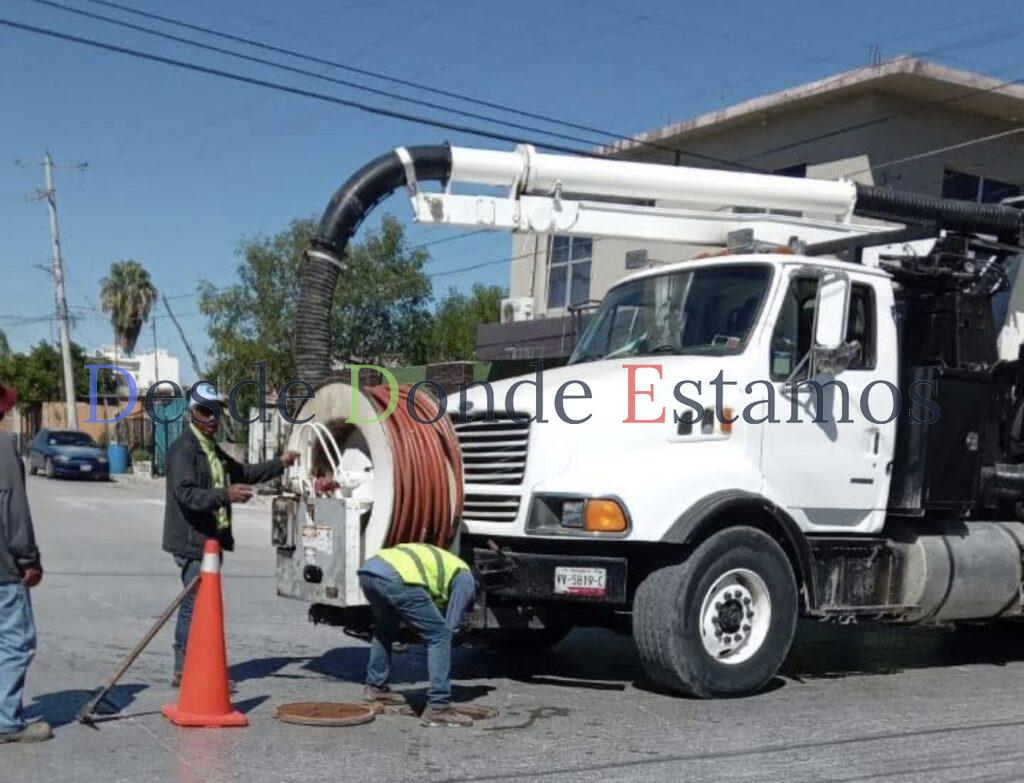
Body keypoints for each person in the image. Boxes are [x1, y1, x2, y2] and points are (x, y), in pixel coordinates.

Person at [162, 382, 298, 685]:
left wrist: (280, 463)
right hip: (191, 540)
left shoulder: (211, 450)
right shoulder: (183, 450)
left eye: (217, 412)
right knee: (194, 605)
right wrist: (225, 495)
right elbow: (187, 495)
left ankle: (197, 667)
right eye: (206, 411)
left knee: (203, 606)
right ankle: (184, 668)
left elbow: (243, 473)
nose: (213, 418)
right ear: (192, 413)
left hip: (211, 540)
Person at [358, 543, 477, 727]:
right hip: (397, 577)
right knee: (440, 636)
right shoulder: (467, 578)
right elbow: (450, 628)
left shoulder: (448, 563)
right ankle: (438, 708)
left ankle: (375, 688)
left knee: (385, 629)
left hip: (369, 571)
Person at [0, 383, 51, 743]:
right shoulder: (3, 447)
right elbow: (14, 511)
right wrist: (29, 559)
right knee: (16, 641)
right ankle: (5, 720)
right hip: (3, 568)